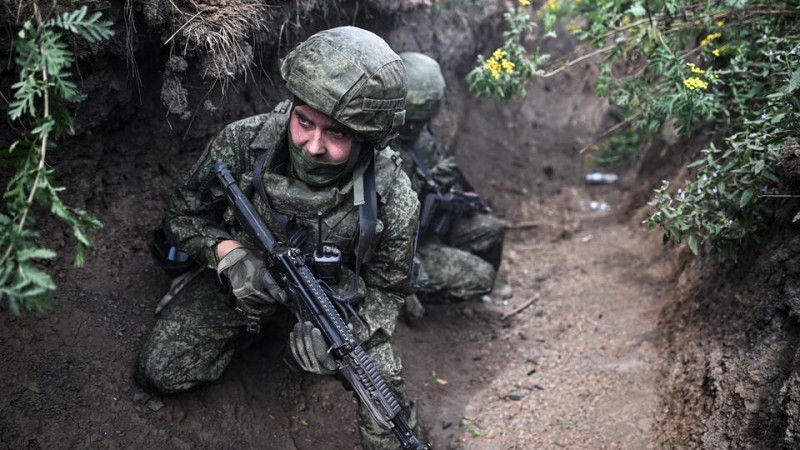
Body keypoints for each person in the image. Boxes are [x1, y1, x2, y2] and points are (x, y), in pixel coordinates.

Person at [137, 27, 426, 449]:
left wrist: (350, 341)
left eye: (337, 133)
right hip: (246, 282)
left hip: (336, 306)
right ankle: (257, 330)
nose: (312, 145)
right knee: (161, 369)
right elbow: (183, 213)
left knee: (382, 394)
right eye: (305, 121)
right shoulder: (245, 141)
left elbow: (387, 288)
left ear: (370, 138)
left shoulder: (392, 195)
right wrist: (228, 253)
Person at [391, 52, 506, 305]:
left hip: (431, 226)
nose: (412, 127)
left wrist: (454, 199)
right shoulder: (379, 148)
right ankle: (427, 299)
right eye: (409, 120)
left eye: (419, 121)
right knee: (481, 277)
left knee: (494, 228)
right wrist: (406, 284)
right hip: (404, 248)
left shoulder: (422, 137)